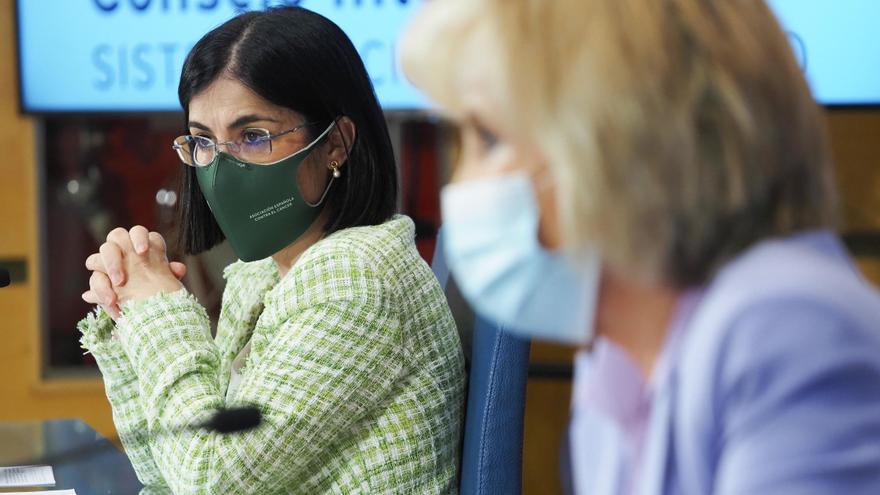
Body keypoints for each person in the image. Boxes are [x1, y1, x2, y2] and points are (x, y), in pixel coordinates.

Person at [401, 0, 880, 493]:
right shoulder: (615, 360)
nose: (462, 182)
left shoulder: (785, 327)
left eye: (487, 137)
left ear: (616, 135)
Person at [78, 7, 465, 494]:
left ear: (336, 144)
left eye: (253, 136)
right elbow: (169, 473)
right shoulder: (263, 275)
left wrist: (159, 309)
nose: (219, 167)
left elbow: (208, 479)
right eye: (202, 142)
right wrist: (128, 311)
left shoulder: (357, 279)